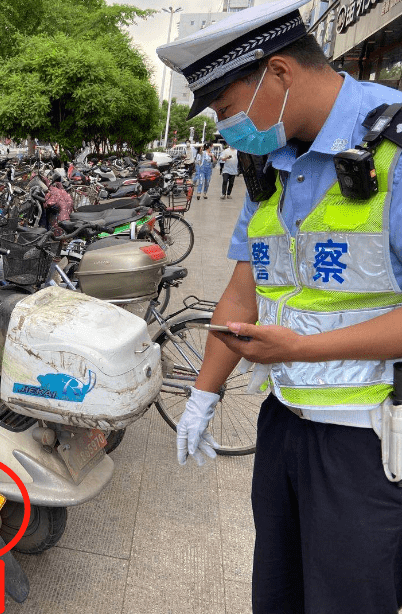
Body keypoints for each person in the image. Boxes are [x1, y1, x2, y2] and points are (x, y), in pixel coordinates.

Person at [157, 0, 402, 612]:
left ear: (280, 74)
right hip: (286, 419)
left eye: (226, 106)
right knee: (278, 590)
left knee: (348, 598)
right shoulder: (273, 163)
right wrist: (204, 395)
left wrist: (303, 349)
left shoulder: (395, 152)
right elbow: (244, 288)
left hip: (368, 438)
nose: (223, 125)